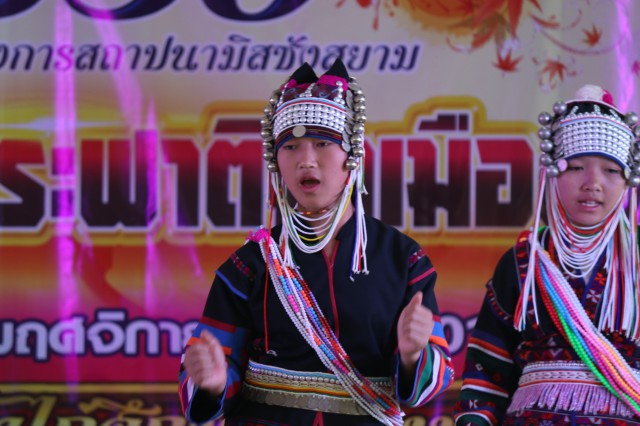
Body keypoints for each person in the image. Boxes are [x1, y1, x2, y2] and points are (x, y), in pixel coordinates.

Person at [178, 58, 454, 426]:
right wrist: (211, 384)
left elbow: (426, 385)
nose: (306, 161)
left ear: (353, 155)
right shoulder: (251, 263)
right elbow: (215, 357)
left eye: (323, 143)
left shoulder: (401, 258)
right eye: (290, 147)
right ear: (275, 160)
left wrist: (412, 355)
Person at [454, 84, 640, 425]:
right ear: (551, 173)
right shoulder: (522, 262)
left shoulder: (637, 259)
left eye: (611, 170)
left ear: (628, 179)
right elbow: (488, 372)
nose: (592, 182)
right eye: (576, 167)